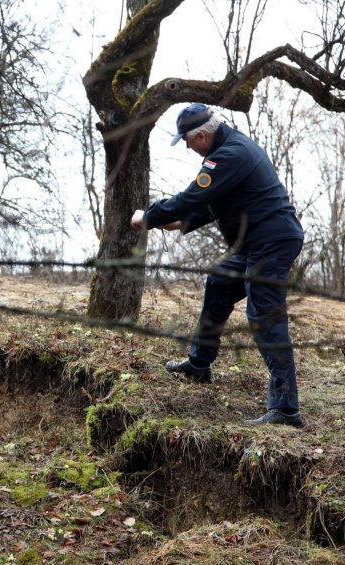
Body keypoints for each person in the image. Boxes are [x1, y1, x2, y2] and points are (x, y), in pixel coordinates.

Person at [130, 103, 305, 427]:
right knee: (220, 282)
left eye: (186, 139)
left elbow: (194, 195)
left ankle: (285, 408)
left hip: (271, 241)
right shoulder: (231, 148)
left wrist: (151, 216)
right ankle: (199, 363)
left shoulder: (229, 155)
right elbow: (216, 202)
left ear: (201, 136)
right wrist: (183, 222)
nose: (186, 145)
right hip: (258, 241)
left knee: (264, 314)